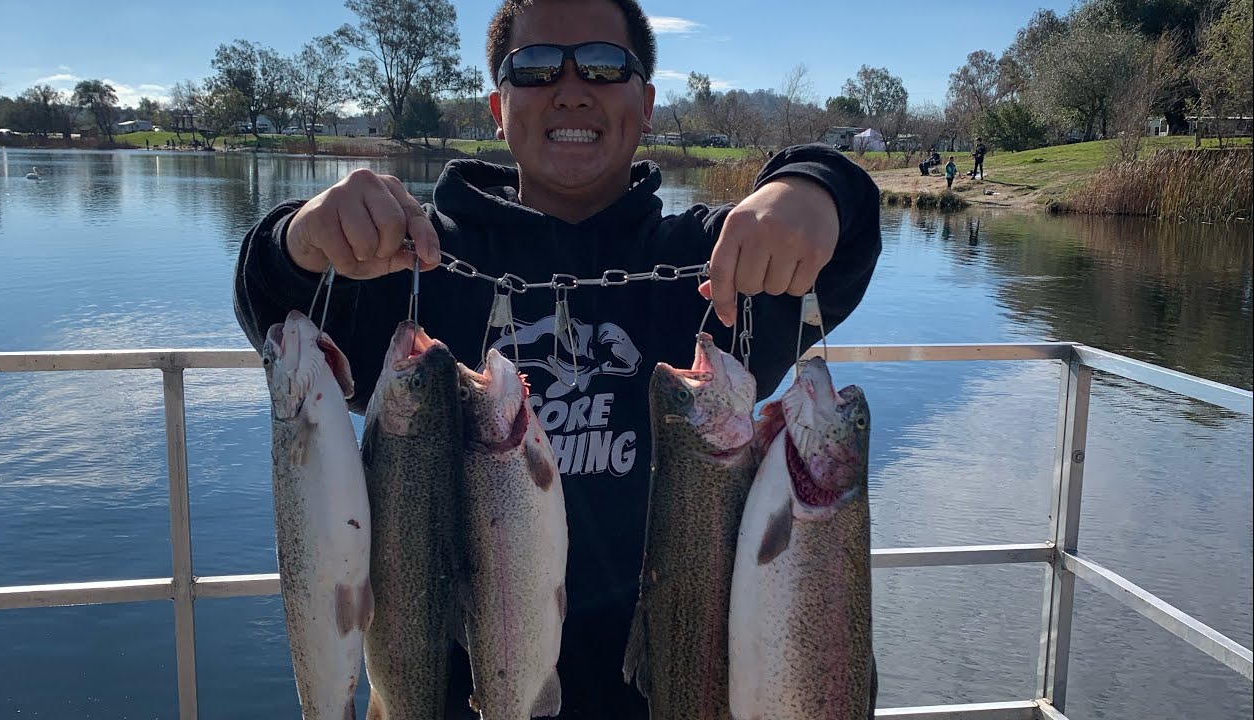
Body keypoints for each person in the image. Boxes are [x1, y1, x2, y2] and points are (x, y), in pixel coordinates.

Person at [232, 0, 882, 716]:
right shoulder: (410, 260)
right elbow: (273, 307)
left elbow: (845, 250)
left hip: (670, 690)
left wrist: (811, 187)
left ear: (647, 103)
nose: (570, 88)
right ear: (497, 108)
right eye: (536, 69)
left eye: (604, 66)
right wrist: (301, 235)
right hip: (455, 695)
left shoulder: (711, 265)